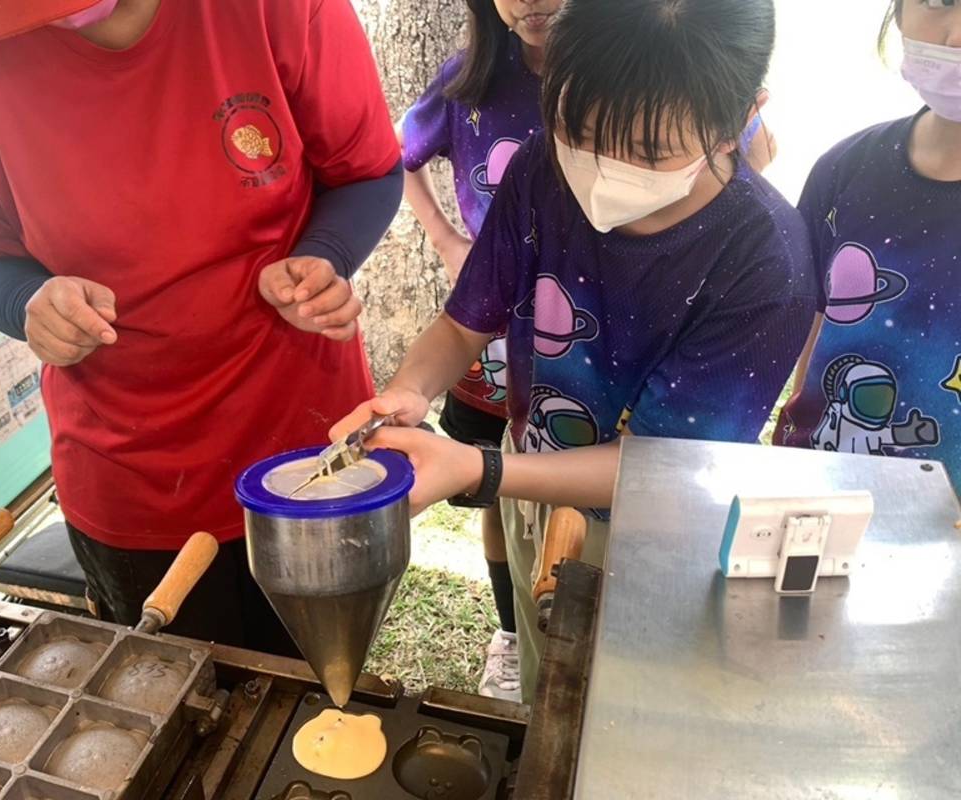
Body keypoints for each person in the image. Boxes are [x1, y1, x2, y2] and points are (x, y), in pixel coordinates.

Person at [333, 0, 816, 703]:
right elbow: (465, 325)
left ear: (743, 113)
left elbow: (659, 467)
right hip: (528, 487)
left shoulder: (765, 263)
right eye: (580, 130)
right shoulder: (541, 170)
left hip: (649, 539)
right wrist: (409, 391)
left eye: (650, 151)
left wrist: (479, 468)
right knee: (542, 700)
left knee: (615, 716)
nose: (604, 169)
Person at [0, 0, 404, 653]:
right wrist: (28, 300)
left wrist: (322, 257)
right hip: (127, 464)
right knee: (174, 698)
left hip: (303, 437)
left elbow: (367, 172)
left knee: (321, 691)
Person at [399, 0, 562, 703]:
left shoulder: (626, 75)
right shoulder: (469, 82)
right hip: (492, 345)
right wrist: (443, 237)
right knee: (500, 481)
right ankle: (508, 628)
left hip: (576, 363)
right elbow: (393, 153)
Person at [775, 0, 961, 477]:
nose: (956, 34)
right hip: (816, 501)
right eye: (939, 1)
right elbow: (814, 325)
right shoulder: (844, 169)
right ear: (898, 13)